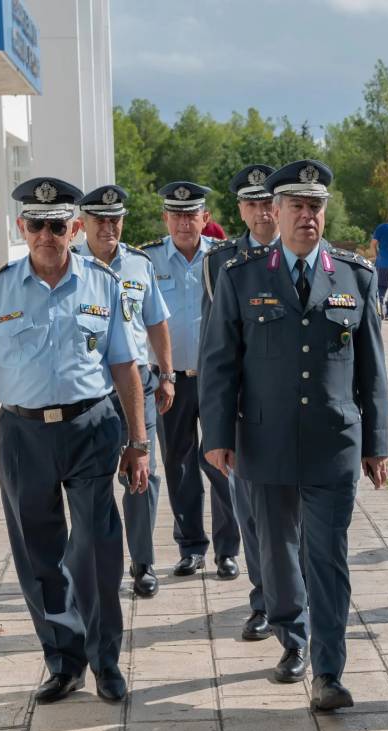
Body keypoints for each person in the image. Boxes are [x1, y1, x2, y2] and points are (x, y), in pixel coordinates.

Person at [200, 159, 388, 711]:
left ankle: (329, 672)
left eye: (316, 206)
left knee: (327, 558)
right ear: (274, 211)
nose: (307, 215)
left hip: (333, 442)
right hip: (263, 440)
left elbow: (372, 370)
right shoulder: (241, 276)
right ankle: (292, 636)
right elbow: (219, 363)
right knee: (277, 558)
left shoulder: (354, 276)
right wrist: (217, 434)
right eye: (297, 206)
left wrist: (377, 443)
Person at [0, 177, 150, 704]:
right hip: (21, 435)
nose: (45, 234)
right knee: (39, 554)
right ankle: (63, 661)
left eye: (56, 225)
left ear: (75, 229)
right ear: (22, 228)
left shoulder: (102, 285)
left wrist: (138, 442)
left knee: (95, 548)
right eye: (35, 224)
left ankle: (107, 661)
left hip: (91, 429)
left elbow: (125, 366)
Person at [75, 185, 174, 598]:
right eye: (100, 220)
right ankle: (99, 563)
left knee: (143, 475)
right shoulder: (71, 264)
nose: (109, 227)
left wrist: (167, 374)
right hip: (90, 390)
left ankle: (144, 562)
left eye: (115, 219)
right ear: (84, 224)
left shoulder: (138, 264)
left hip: (137, 386)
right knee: (91, 481)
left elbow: (156, 320)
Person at [141, 181, 241, 580]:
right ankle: (191, 546)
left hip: (216, 381)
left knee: (221, 462)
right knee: (178, 463)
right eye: (176, 215)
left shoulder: (223, 259)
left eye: (192, 214)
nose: (184, 222)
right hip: (169, 381)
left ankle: (228, 550)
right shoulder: (146, 260)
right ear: (165, 218)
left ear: (205, 218)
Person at [201, 164, 278, 644]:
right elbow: (216, 352)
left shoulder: (303, 254)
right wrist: (217, 429)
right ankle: (264, 601)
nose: (261, 211)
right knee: (250, 514)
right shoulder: (219, 263)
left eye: (268, 201)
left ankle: (300, 598)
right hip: (248, 413)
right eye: (252, 203)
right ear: (241, 210)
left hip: (295, 406)